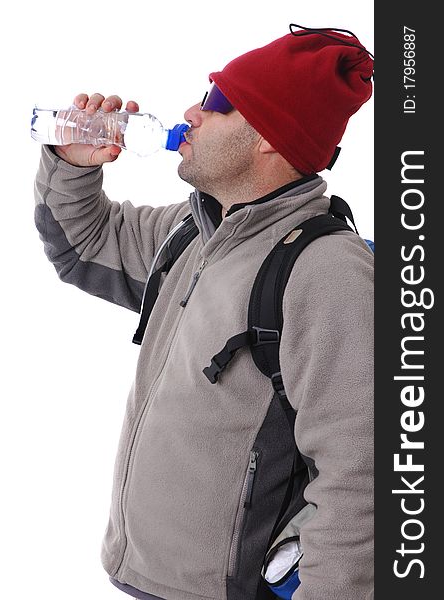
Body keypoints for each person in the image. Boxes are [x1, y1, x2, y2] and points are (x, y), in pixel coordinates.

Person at [34, 25, 374, 600]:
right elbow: (81, 245)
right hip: (147, 578)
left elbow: (360, 480)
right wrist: (72, 165)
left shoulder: (326, 272)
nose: (191, 110)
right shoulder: (191, 233)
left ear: (268, 136)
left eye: (217, 102)